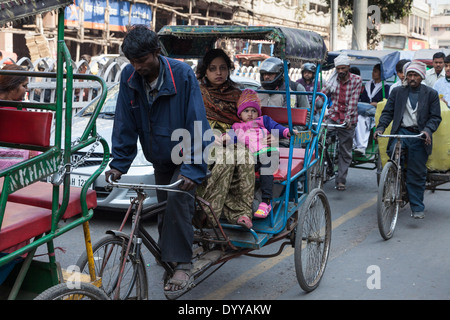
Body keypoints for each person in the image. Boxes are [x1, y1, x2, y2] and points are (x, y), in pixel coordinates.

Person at [104, 25, 211, 299]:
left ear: (156, 52)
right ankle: (170, 256)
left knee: (177, 202)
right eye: (132, 61)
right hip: (158, 154)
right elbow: (124, 122)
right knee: (162, 208)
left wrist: (192, 166)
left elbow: (197, 122)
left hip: (184, 154)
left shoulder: (182, 74)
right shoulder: (129, 76)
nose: (137, 67)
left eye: (142, 60)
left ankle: (183, 264)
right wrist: (119, 163)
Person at [196, 48, 256, 230]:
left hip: (235, 136)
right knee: (226, 160)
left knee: (245, 157)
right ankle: (209, 215)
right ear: (205, 71)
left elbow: (253, 120)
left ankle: (242, 213)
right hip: (205, 137)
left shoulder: (239, 95)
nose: (219, 73)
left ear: (229, 70)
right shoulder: (197, 93)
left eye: (223, 68)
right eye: (213, 68)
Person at [375, 61, 441, 219]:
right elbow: (387, 112)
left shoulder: (431, 94)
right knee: (393, 155)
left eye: (415, 75)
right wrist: (380, 127)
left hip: (419, 135)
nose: (412, 78)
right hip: (401, 132)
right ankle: (394, 181)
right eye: (410, 75)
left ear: (421, 77)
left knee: (416, 173)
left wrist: (427, 130)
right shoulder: (398, 92)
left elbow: (435, 117)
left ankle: (417, 207)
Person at [225, 89, 296, 218]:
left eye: (253, 111)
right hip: (251, 157)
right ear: (240, 114)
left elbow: (276, 127)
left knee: (266, 167)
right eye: (246, 111)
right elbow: (230, 139)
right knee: (241, 168)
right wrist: (224, 139)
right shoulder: (236, 127)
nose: (250, 114)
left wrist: (286, 132)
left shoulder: (263, 120)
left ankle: (266, 201)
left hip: (268, 153)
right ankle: (242, 202)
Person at [317, 54, 362, 191]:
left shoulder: (356, 80)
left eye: (343, 68)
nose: (341, 71)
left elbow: (353, 103)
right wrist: (314, 105)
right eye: (338, 69)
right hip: (334, 116)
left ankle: (341, 180)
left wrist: (347, 119)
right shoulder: (332, 80)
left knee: (345, 151)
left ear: (348, 67)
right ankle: (324, 167)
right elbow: (322, 94)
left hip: (349, 119)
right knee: (319, 140)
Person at [354, 64, 390, 155]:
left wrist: (376, 104)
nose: (373, 73)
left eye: (375, 71)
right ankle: (354, 144)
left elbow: (386, 102)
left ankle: (361, 146)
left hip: (376, 113)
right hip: (364, 110)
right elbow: (363, 99)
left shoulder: (386, 87)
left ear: (381, 73)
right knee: (356, 118)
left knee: (362, 120)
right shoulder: (368, 85)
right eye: (373, 71)